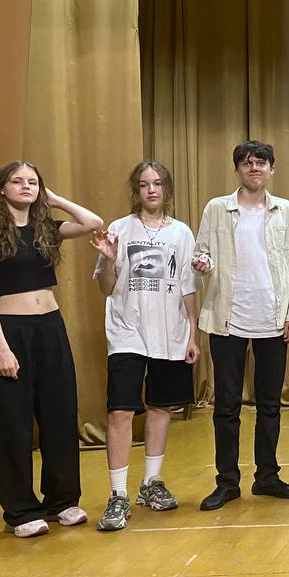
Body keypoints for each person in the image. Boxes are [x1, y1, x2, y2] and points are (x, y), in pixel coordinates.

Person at [0, 161, 102, 537]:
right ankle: (21, 510)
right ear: (2, 188)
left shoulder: (48, 229)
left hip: (51, 329)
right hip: (11, 332)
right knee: (13, 423)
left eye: (33, 182)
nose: (26, 186)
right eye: (17, 181)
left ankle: (62, 501)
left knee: (60, 415)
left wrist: (55, 200)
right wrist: (2, 349)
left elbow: (93, 222)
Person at [192, 140, 289, 510]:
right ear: (237, 169)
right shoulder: (217, 208)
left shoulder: (284, 210)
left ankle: (267, 477)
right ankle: (227, 482)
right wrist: (203, 263)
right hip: (228, 319)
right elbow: (201, 253)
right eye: (247, 163)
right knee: (226, 406)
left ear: (272, 169)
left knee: (270, 405)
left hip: (273, 318)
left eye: (261, 162)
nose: (255, 168)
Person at [91, 161, 198, 531]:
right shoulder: (119, 229)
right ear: (135, 191)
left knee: (160, 406)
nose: (151, 189)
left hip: (170, 334)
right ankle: (118, 494)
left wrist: (192, 335)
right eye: (143, 184)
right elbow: (105, 287)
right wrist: (109, 261)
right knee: (120, 411)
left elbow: (187, 287)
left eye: (157, 183)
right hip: (126, 333)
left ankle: (151, 482)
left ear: (166, 189)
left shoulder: (181, 233)